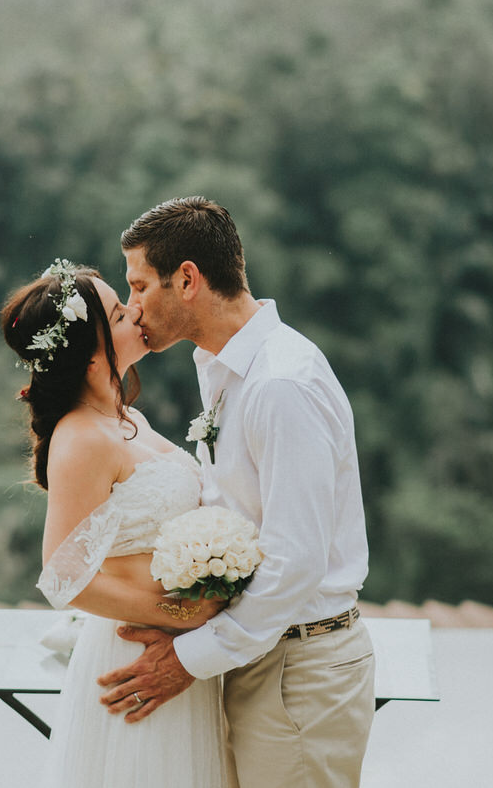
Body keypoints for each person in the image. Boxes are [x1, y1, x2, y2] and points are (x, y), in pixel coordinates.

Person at [97, 196, 375, 788]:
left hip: (299, 670)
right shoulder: (225, 367)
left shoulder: (280, 385)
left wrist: (187, 661)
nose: (132, 306)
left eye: (140, 285)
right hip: (263, 655)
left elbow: (295, 560)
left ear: (188, 280)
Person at [0, 259, 231, 788]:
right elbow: (64, 577)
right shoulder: (82, 438)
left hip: (179, 652)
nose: (138, 312)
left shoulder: (129, 420)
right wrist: (181, 613)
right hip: (135, 654)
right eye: (121, 313)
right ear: (90, 353)